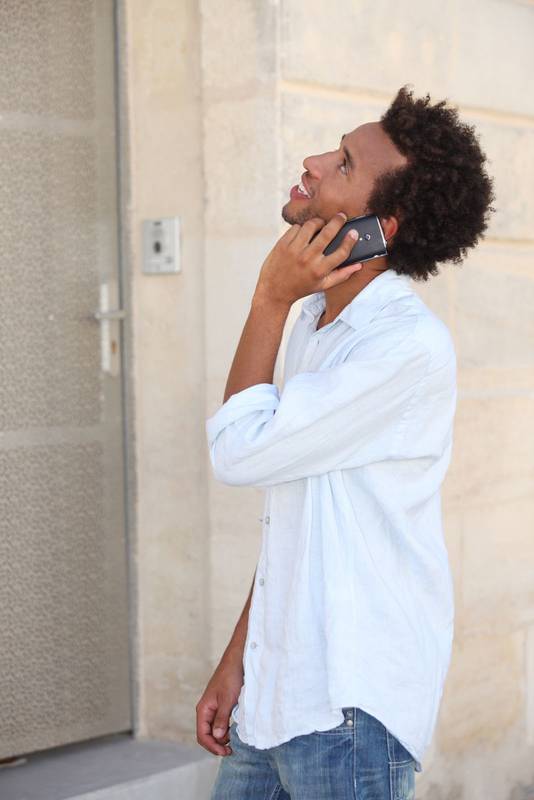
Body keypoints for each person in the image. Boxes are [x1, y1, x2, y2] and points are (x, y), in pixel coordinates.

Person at [198, 85, 495, 799]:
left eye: (342, 164)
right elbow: (296, 517)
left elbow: (239, 451)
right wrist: (240, 657)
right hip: (274, 693)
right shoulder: (315, 323)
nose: (311, 162)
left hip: (346, 711)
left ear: (379, 228)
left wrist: (269, 296)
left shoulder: (403, 347)